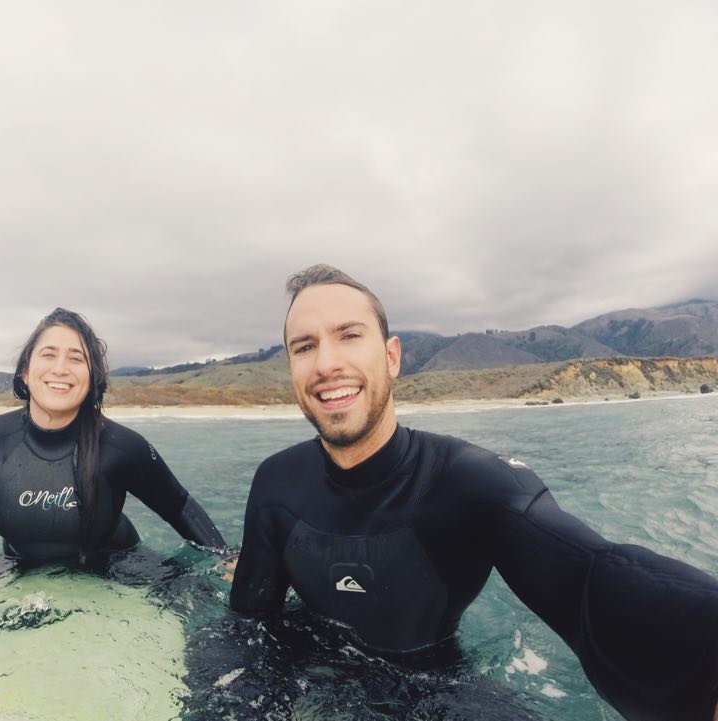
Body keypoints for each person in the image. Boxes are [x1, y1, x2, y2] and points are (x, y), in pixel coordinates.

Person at [230, 265, 718, 721]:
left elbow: (591, 575)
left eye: (349, 336)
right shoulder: (276, 483)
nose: (326, 363)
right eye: (304, 346)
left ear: (392, 356)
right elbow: (247, 632)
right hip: (313, 679)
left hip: (438, 695)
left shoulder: (471, 481)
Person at [0, 308, 224, 593]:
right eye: (48, 354)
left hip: (118, 571)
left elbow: (179, 505)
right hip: (24, 572)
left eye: (76, 358)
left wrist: (224, 558)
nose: (60, 369)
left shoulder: (121, 446)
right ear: (25, 372)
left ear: (92, 378)